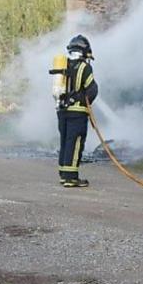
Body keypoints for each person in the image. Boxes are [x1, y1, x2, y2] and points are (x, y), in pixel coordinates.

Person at [56, 35, 99, 188]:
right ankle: (71, 177)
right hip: (78, 112)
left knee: (65, 141)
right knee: (75, 143)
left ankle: (63, 174)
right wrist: (85, 100)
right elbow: (92, 89)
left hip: (62, 111)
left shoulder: (64, 65)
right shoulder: (84, 67)